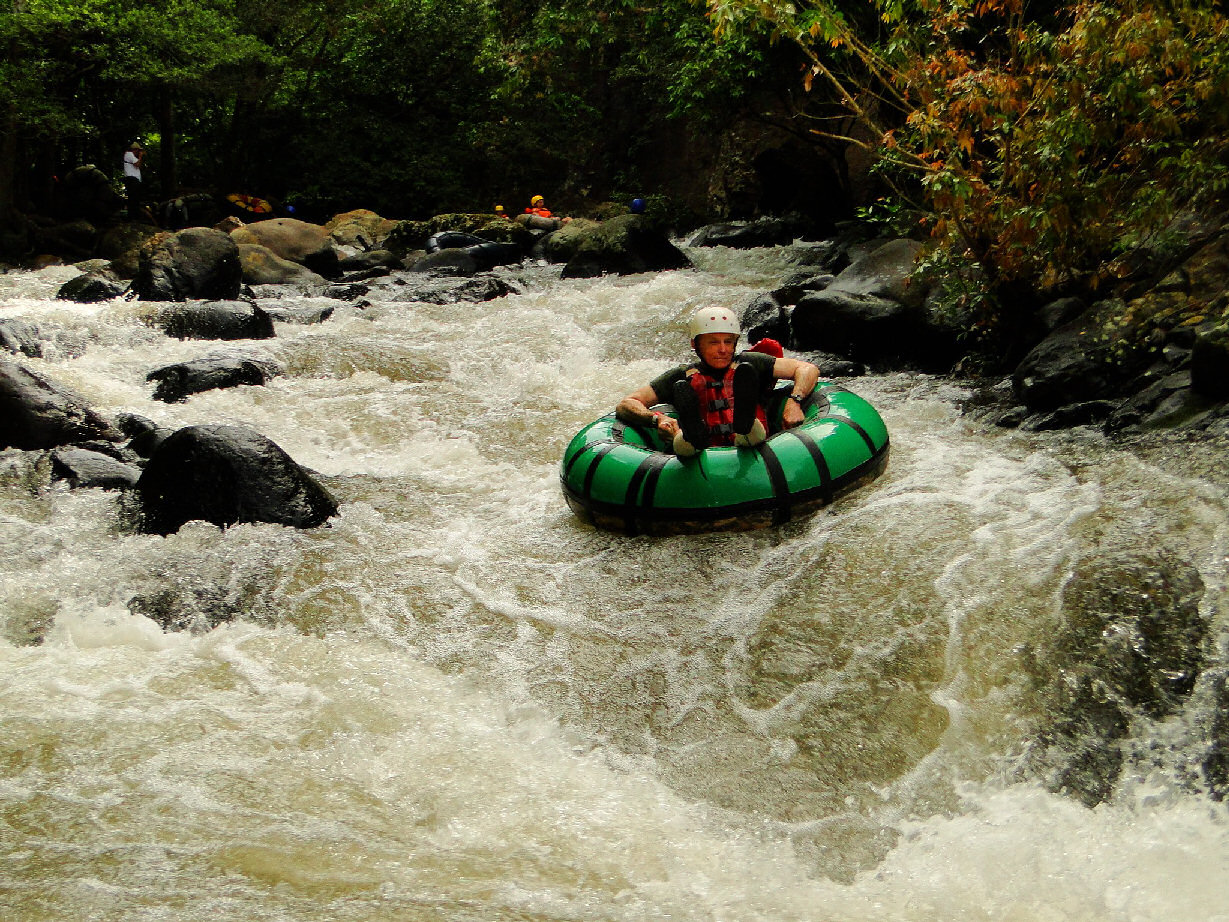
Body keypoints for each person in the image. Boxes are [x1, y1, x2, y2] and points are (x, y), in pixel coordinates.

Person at [616, 306, 819, 457]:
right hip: (704, 453)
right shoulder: (682, 375)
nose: (723, 349)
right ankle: (692, 436)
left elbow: (807, 369)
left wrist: (795, 401)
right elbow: (627, 403)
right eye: (713, 342)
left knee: (749, 433)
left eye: (728, 342)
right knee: (685, 444)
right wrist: (657, 419)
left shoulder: (750, 363)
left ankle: (745, 424)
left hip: (752, 446)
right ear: (695, 344)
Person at [122, 141, 145, 217]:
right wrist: (141, 156)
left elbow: (139, 166)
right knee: (133, 198)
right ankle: (132, 215)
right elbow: (137, 164)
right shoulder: (129, 154)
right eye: (138, 150)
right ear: (135, 150)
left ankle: (134, 215)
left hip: (134, 180)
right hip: (132, 179)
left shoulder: (133, 157)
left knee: (135, 198)